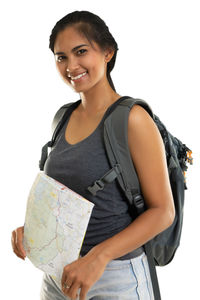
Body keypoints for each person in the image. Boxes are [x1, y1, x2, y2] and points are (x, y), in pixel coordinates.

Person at [11, 10, 175, 300]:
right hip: (59, 276)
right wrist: (35, 230)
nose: (71, 65)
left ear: (107, 52)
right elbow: (67, 197)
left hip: (115, 279)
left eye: (81, 52)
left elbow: (163, 211)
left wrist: (98, 258)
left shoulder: (132, 119)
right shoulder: (63, 117)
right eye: (61, 57)